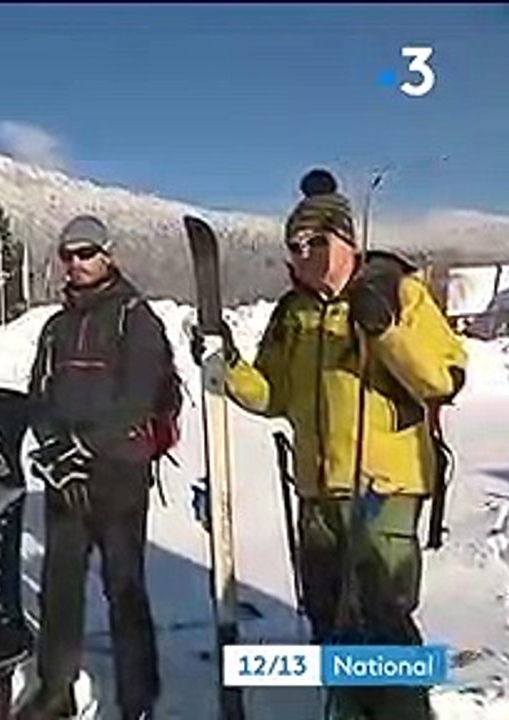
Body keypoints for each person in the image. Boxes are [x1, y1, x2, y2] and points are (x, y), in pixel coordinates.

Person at [198, 169, 466, 720]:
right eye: (294, 245)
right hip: (316, 492)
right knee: (329, 619)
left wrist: (386, 332)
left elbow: (444, 377)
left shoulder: (397, 290)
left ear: (347, 241)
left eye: (315, 242)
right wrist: (229, 365)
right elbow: (273, 393)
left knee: (382, 624)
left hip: (382, 488)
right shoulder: (291, 314)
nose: (303, 253)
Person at [18, 214, 179, 720]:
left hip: (119, 477)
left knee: (123, 586)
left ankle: (138, 697)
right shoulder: (56, 326)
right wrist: (53, 448)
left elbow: (139, 396)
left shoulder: (136, 317)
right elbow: (37, 395)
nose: (76, 263)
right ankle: (55, 689)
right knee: (60, 585)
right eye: (67, 255)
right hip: (66, 477)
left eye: (86, 253)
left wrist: (85, 448)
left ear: (108, 254)